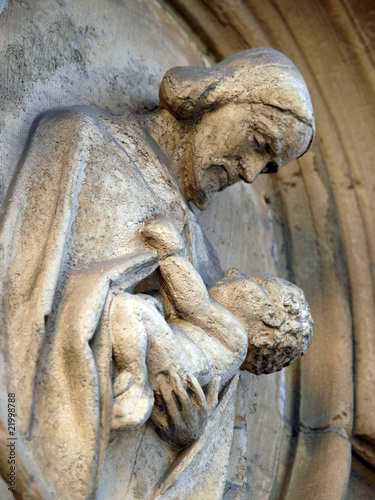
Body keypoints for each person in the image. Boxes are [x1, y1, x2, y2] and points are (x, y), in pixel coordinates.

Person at [0, 47, 315, 498]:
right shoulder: (79, 139)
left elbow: (215, 443)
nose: (249, 173)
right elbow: (18, 294)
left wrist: (189, 430)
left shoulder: (204, 267)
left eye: (267, 166)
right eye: (258, 142)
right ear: (217, 98)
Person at [111, 216, 313, 451]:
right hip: (178, 363)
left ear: (270, 318)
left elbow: (195, 304)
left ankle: (134, 385)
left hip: (180, 367)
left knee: (132, 308)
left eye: (254, 283)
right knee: (144, 308)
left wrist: (171, 254)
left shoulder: (236, 336)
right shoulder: (232, 349)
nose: (234, 271)